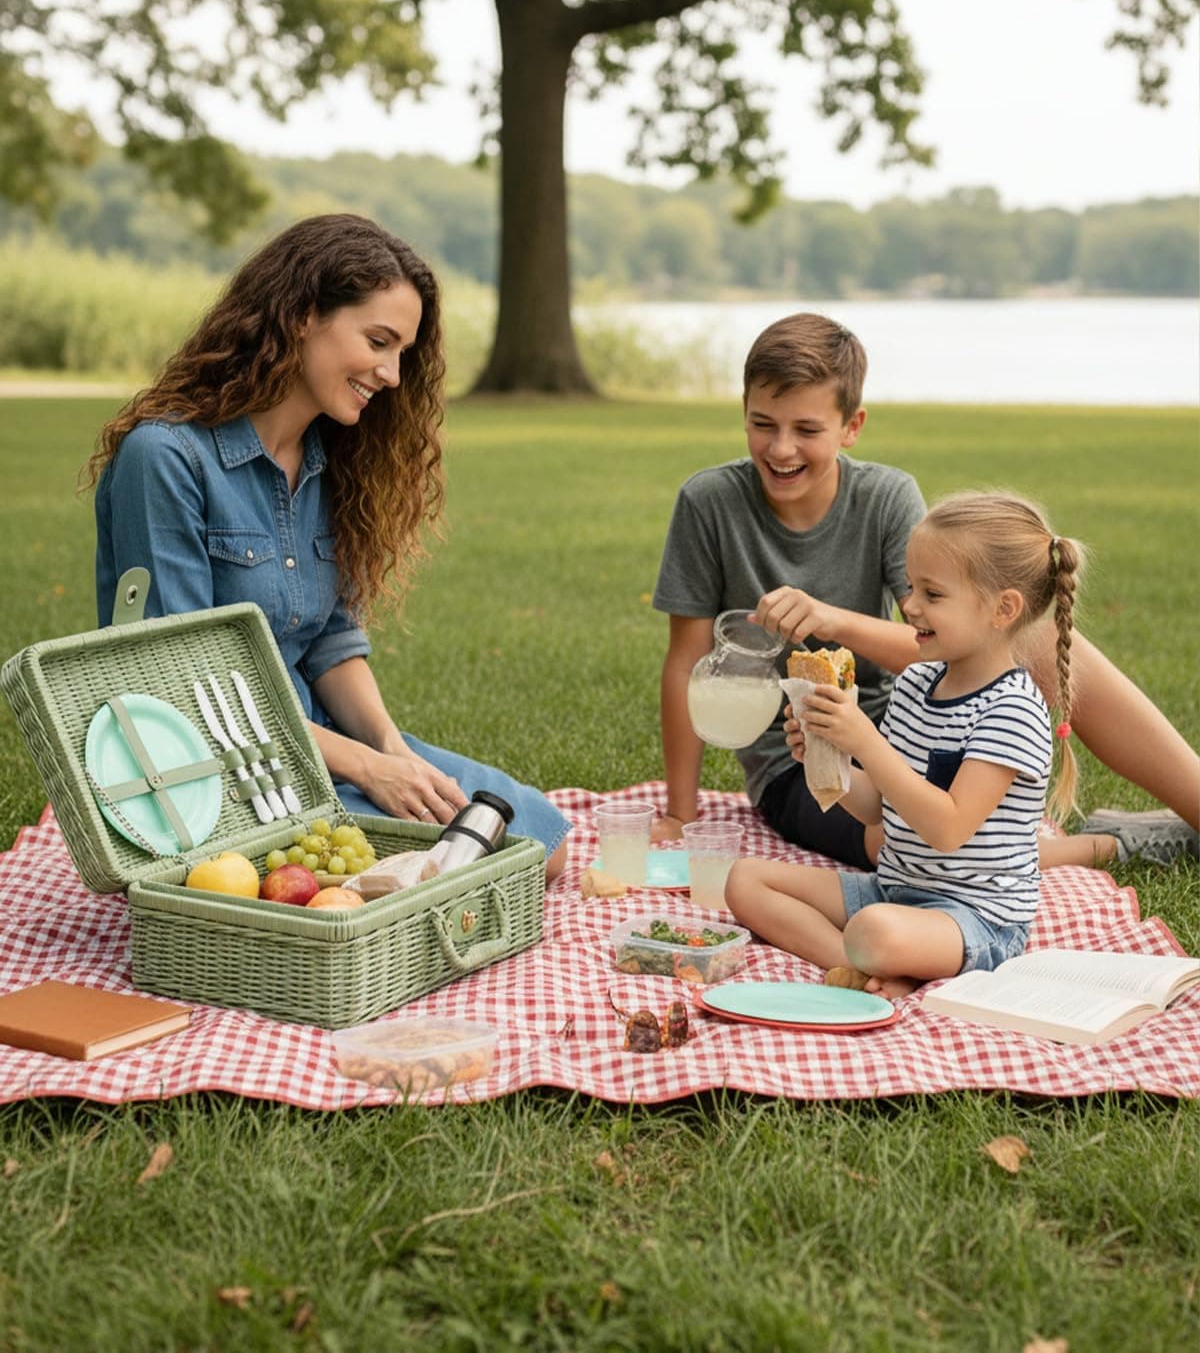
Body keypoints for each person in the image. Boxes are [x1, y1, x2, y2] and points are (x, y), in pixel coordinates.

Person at [87, 213, 571, 878]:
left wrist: (392, 751)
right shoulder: (166, 458)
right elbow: (182, 685)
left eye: (402, 352)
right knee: (457, 869)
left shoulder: (329, 459)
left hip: (319, 744)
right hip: (219, 772)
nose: (393, 374)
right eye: (378, 341)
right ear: (302, 317)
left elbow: (330, 644)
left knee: (540, 841)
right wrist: (365, 769)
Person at [652, 313, 1198, 869]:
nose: (782, 448)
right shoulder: (708, 502)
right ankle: (1110, 844)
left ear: (851, 426)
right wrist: (678, 813)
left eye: (807, 430)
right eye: (763, 424)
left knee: (1041, 640)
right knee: (898, 843)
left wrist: (830, 620)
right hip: (800, 758)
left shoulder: (886, 496)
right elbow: (686, 663)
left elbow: (942, 641)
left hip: (909, 725)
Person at [725, 492, 1078, 997]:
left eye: (932, 594)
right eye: (911, 587)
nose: (908, 606)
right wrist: (826, 758)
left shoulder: (1012, 710)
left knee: (875, 930)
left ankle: (874, 956)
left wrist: (867, 743)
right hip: (892, 889)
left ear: (1004, 609)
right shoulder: (915, 683)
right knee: (744, 880)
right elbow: (878, 810)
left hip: (974, 918)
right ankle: (859, 968)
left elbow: (948, 828)